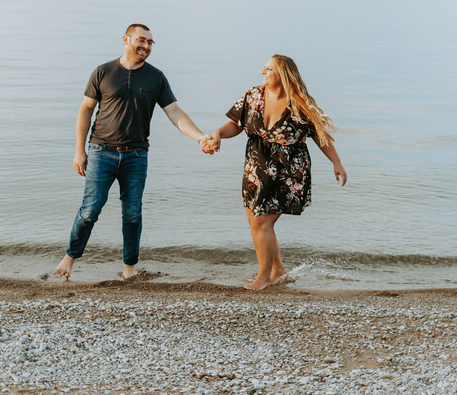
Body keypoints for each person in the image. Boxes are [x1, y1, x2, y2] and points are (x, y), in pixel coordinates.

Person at [55, 23, 215, 281]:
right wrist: (79, 151)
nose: (146, 46)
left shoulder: (156, 77)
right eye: (142, 40)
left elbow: (175, 112)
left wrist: (200, 137)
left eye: (151, 43)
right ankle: (70, 258)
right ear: (126, 39)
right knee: (90, 211)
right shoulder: (103, 72)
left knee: (132, 213)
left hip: (136, 155)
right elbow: (85, 109)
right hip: (101, 151)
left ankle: (129, 268)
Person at [204, 55, 346, 291]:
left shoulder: (299, 104)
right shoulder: (253, 96)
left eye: (269, 69)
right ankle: (278, 271)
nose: (263, 71)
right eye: (264, 67)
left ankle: (262, 277)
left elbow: (321, 136)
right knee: (255, 221)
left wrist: (337, 163)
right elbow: (236, 124)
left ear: (284, 75)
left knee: (261, 222)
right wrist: (218, 134)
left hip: (288, 172)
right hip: (256, 167)